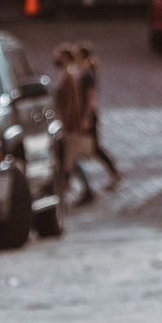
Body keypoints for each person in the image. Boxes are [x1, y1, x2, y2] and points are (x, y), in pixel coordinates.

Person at [52, 44, 95, 205]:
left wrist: (72, 122)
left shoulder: (70, 76)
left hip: (69, 124)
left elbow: (73, 103)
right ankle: (81, 188)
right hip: (65, 123)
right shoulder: (66, 75)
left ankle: (84, 189)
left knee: (70, 159)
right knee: (71, 159)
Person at [74, 43, 122, 185]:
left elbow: (90, 98)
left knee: (94, 147)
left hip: (88, 115)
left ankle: (114, 172)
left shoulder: (88, 75)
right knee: (87, 147)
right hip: (83, 114)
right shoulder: (82, 71)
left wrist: (87, 117)